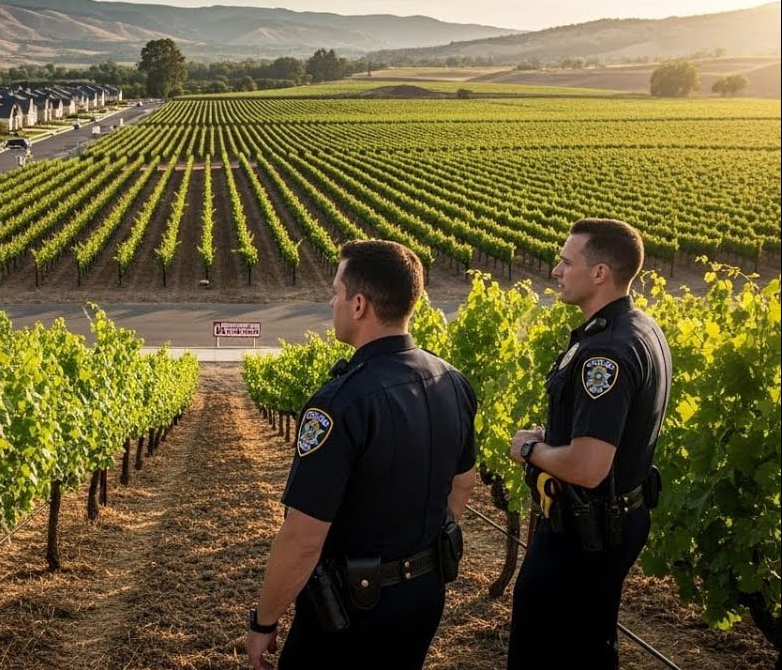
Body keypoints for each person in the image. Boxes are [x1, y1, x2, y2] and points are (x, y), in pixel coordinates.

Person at [247, 239, 478, 670]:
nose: (330, 302)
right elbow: (463, 484)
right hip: (425, 596)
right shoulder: (453, 381)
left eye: (335, 293)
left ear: (358, 305)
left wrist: (264, 622)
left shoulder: (341, 402)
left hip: (352, 611)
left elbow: (302, 540)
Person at [507, 218, 672, 670]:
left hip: (582, 536)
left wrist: (528, 449)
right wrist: (554, 438)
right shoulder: (640, 328)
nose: (556, 271)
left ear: (600, 273)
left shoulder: (605, 353)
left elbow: (588, 467)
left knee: (542, 651)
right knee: (588, 645)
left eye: (566, 262)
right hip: (610, 524)